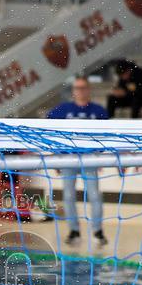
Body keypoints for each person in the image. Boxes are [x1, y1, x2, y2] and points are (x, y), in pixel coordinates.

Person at [47, 76, 108, 246]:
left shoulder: (98, 111)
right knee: (68, 196)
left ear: (88, 89)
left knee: (94, 195)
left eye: (83, 88)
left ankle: (97, 231)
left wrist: (98, 154)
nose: (80, 91)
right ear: (73, 91)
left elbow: (107, 135)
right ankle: (74, 231)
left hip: (89, 160)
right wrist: (57, 154)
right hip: (69, 159)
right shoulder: (63, 110)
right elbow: (48, 130)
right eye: (77, 88)